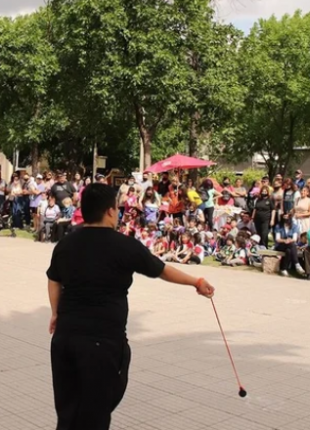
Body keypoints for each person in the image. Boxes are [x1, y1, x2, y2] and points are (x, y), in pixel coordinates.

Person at [46, 184, 214, 430]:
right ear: (110, 211)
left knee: (68, 413)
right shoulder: (124, 245)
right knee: (95, 416)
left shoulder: (66, 244)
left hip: (65, 339)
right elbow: (161, 270)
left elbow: (53, 278)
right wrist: (196, 282)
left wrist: (55, 312)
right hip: (102, 343)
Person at [274, 213, 303, 277]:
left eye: (287, 216)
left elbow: (294, 239)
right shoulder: (278, 226)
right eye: (284, 216)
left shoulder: (294, 226)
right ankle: (297, 264)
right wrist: (284, 241)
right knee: (292, 245)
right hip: (280, 245)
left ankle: (283, 269)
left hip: (290, 244)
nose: (286, 218)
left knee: (289, 250)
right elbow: (277, 239)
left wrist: (289, 240)